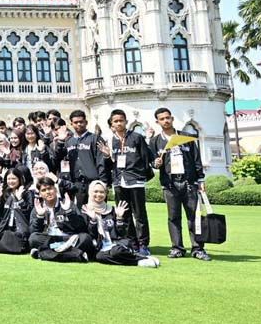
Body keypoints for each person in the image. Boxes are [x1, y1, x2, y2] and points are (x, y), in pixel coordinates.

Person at [151, 107, 210, 261]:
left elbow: (196, 159)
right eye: (162, 119)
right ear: (157, 122)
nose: (166, 121)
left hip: (189, 182)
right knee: (173, 217)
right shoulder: (155, 141)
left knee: (194, 217)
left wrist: (200, 180)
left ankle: (198, 249)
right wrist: (156, 163)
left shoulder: (186, 137)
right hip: (170, 184)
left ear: (172, 119)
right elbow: (152, 162)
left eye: (168, 117)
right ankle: (177, 248)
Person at [104, 109, 154, 257]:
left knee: (140, 214)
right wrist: (107, 156)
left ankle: (143, 244)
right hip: (119, 181)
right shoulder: (110, 140)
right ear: (112, 124)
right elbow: (110, 164)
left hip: (135, 180)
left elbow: (146, 157)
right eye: (115, 121)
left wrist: (142, 175)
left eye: (121, 120)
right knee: (124, 214)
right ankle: (132, 243)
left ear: (126, 121)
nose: (119, 123)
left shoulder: (136, 137)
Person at [82, 181, 160, 267]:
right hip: (99, 248)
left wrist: (119, 218)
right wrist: (93, 220)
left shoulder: (112, 210)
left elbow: (122, 233)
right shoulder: (85, 210)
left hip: (115, 244)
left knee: (116, 251)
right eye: (95, 191)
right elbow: (90, 236)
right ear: (90, 192)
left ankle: (140, 259)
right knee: (100, 257)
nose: (99, 194)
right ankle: (139, 260)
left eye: (102, 192)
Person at [28, 179, 91, 263]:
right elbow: (33, 231)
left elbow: (81, 227)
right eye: (43, 190)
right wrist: (40, 216)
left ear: (55, 189)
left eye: (50, 188)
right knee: (33, 238)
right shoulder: (38, 208)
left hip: (68, 238)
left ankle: (42, 254)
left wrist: (69, 212)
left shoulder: (67, 203)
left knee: (85, 238)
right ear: (40, 193)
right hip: (50, 239)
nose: (47, 192)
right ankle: (74, 254)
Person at [56, 110, 108, 207]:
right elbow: (58, 158)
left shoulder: (95, 138)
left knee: (97, 210)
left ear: (86, 122)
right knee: (80, 212)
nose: (79, 124)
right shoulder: (68, 141)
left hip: (93, 183)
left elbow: (101, 162)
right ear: (71, 124)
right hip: (77, 184)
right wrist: (61, 141)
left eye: (81, 121)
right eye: (76, 122)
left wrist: (103, 182)